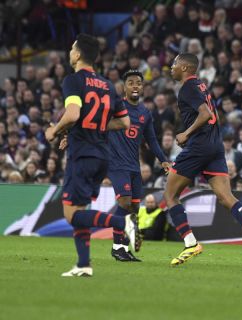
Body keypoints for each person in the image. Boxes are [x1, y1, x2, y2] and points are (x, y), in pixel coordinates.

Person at [44, 34, 140, 277]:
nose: (70, 52)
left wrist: (54, 131)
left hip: (82, 154)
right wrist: (94, 125)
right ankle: (84, 264)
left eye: (71, 48)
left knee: (72, 214)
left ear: (77, 54)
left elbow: (73, 113)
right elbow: (124, 122)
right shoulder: (108, 85)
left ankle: (122, 223)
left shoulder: (73, 81)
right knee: (80, 210)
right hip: (102, 155)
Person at [164, 53, 242, 266]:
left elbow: (204, 114)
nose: (171, 67)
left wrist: (186, 134)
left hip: (199, 147)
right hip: (214, 146)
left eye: (175, 64)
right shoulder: (202, 86)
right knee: (225, 197)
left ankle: (190, 243)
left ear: (185, 68)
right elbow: (215, 116)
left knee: (170, 195)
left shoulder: (188, 88)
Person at [107, 70, 170, 262]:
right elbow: (94, 122)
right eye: (131, 82)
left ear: (142, 87)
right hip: (116, 164)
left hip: (134, 166)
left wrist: (163, 159)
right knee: (124, 203)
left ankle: (124, 247)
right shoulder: (115, 107)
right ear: (124, 87)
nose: (135, 86)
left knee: (134, 209)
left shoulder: (144, 112)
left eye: (138, 83)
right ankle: (117, 246)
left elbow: (151, 139)